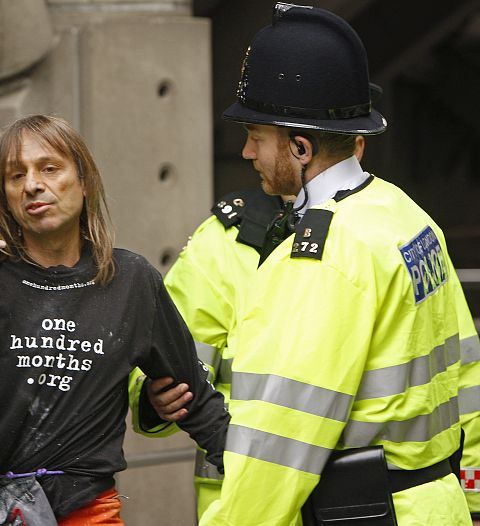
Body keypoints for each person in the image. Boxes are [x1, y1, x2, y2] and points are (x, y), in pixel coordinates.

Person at [194, 4, 477, 525]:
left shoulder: (322, 258)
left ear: (301, 147)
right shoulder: (405, 215)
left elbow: (278, 446)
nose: (246, 152)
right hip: (435, 506)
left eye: (257, 136)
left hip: (366, 514)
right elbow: (465, 369)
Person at [0, 114, 230, 524]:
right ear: (5, 196)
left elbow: (195, 399)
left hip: (87, 510)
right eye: (16, 175)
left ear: (84, 182)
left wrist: (262, 486)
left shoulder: (132, 280)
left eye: (49, 168)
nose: (32, 184)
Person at [128, 139, 366, 520]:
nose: (246, 152)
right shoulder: (221, 240)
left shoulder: (373, 231)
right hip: (238, 498)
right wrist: (155, 398)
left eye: (258, 138)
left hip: (352, 497)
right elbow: (167, 354)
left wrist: (468, 490)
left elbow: (455, 376)